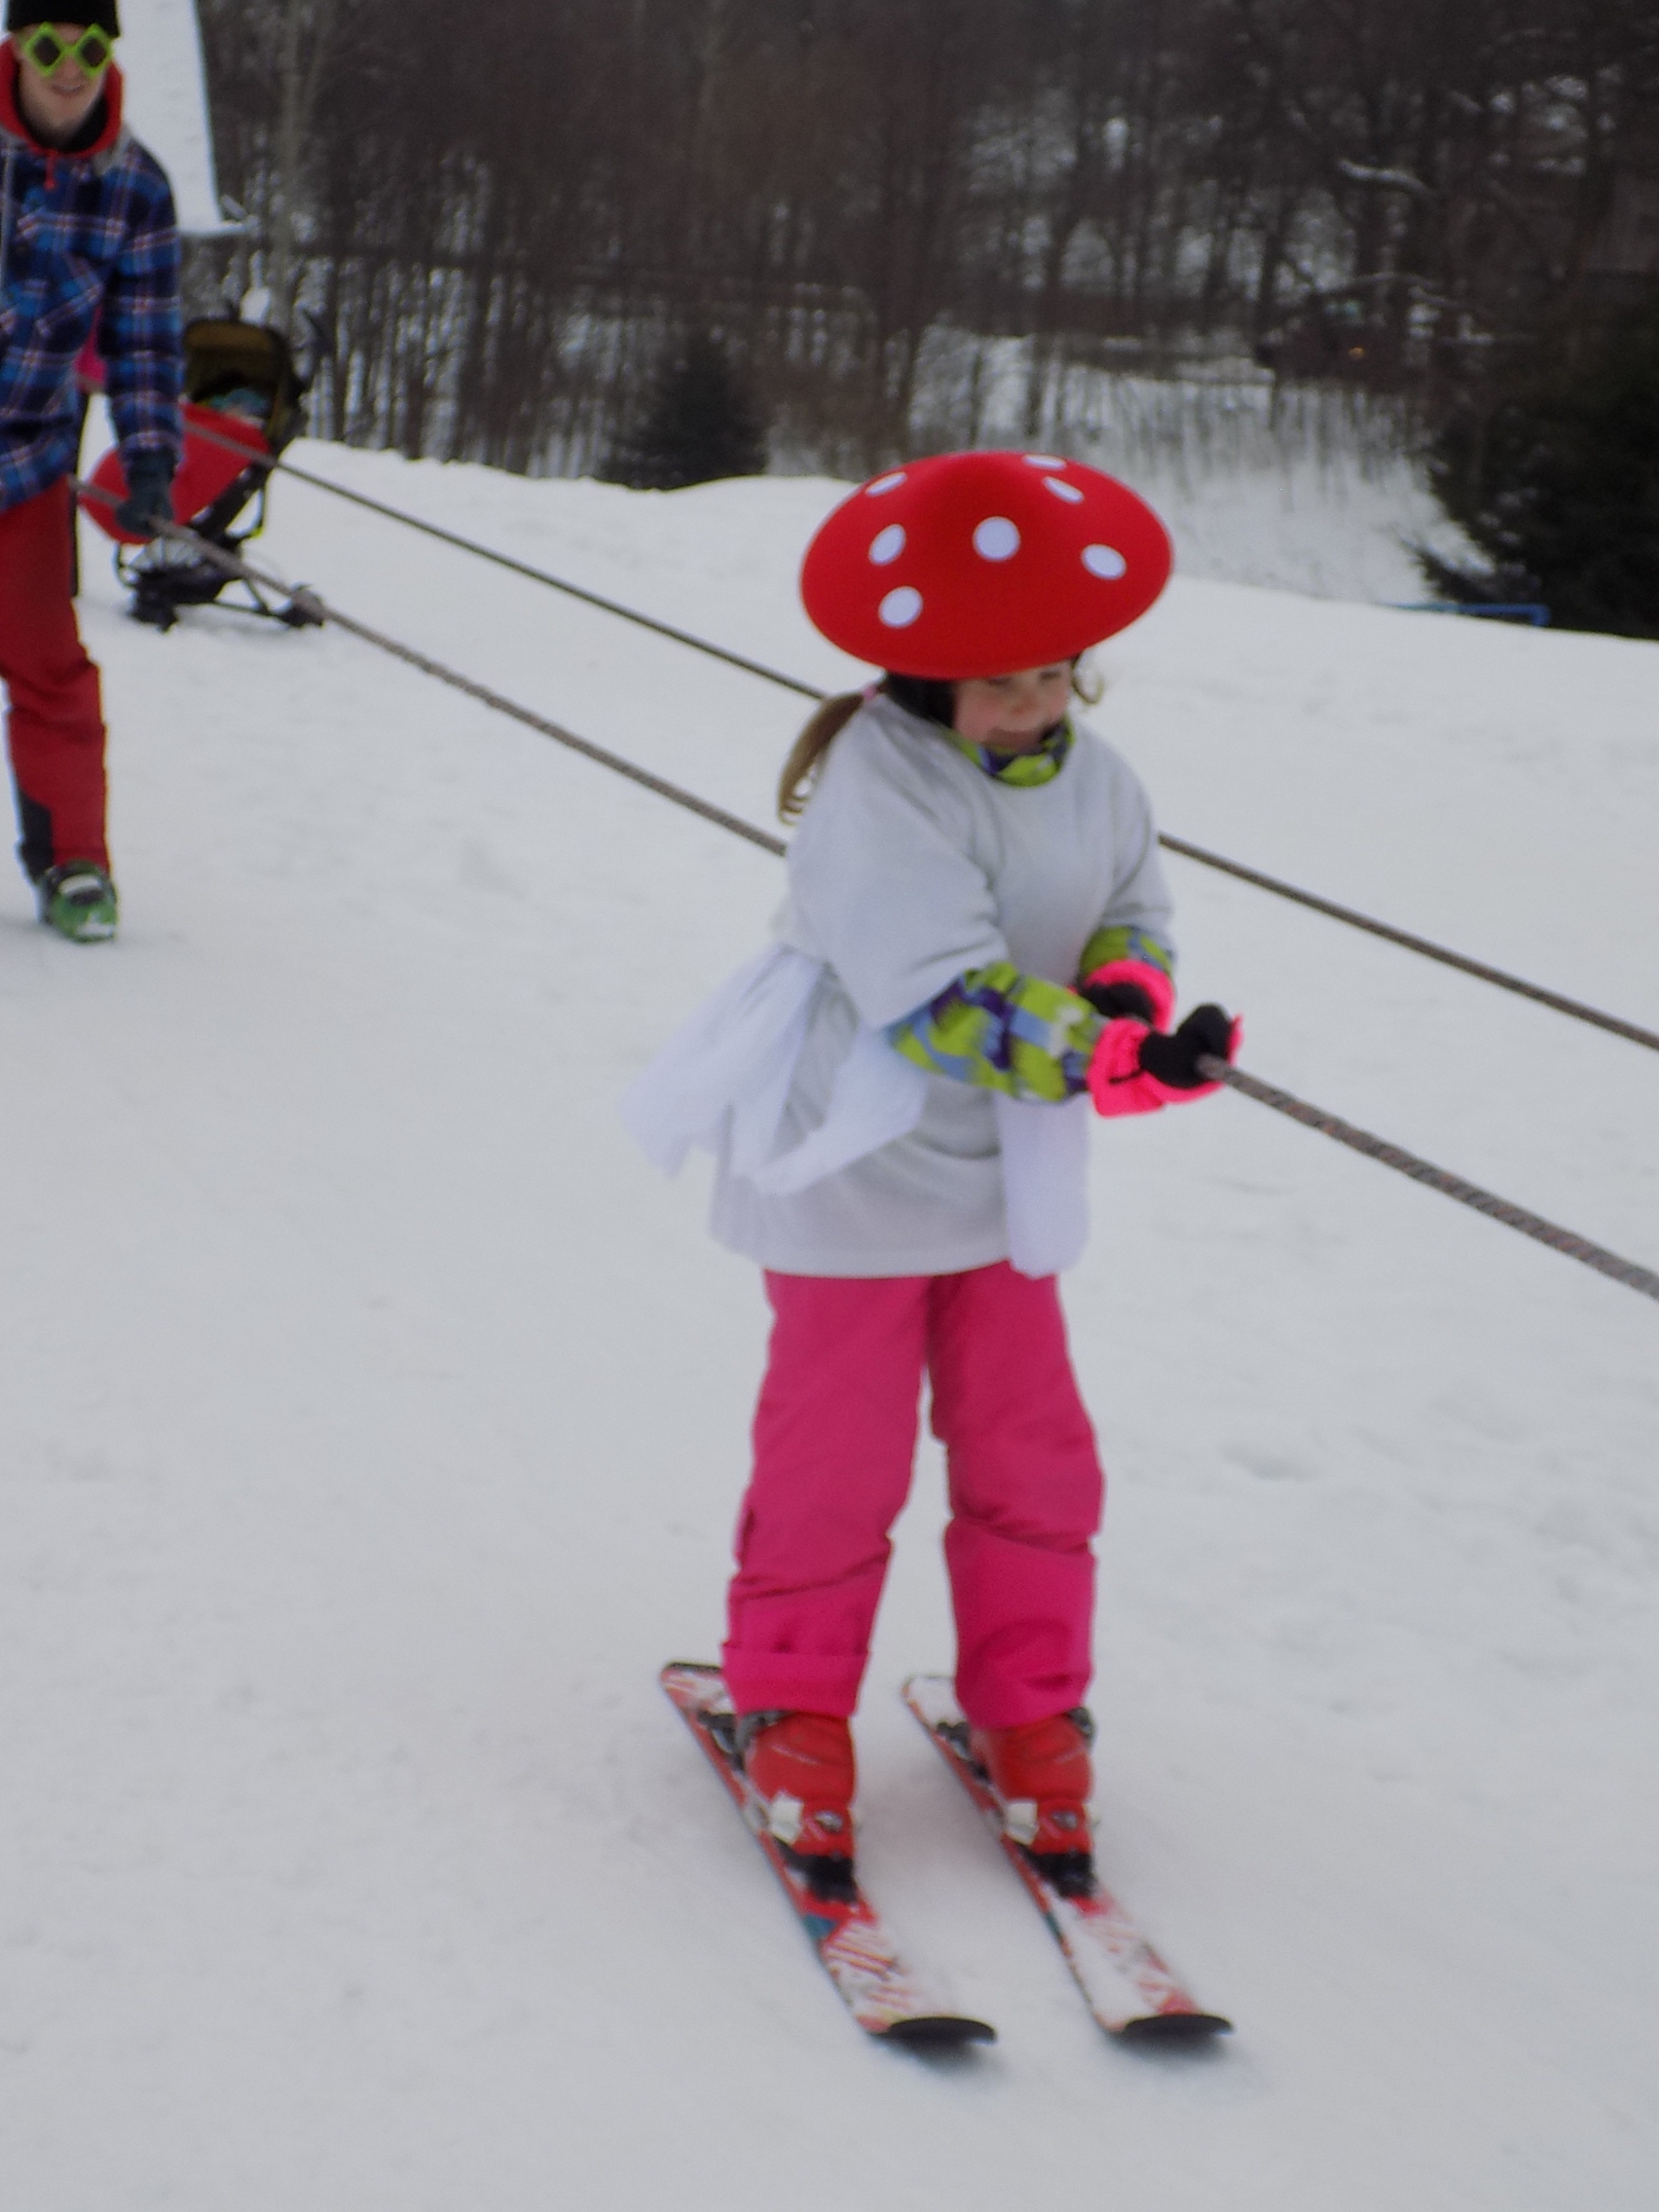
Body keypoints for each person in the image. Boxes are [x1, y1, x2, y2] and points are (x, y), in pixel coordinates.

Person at [627, 449, 1240, 1899]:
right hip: (859, 1159)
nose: (1033, 705)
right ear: (921, 681)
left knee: (1033, 1449)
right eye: (1000, 685)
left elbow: (1131, 911)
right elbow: (945, 1001)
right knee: (838, 1458)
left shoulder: (1097, 776)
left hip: (1002, 1168)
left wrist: (1134, 1005)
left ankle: (1034, 1718)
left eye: (1053, 677)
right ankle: (793, 1711)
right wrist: (1100, 1058)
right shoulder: (880, 786)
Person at [0, 7, 182, 941]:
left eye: (90, 48)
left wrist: (149, 460)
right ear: (13, 50)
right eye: (48, 47)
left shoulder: (134, 187)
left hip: (26, 462)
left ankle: (73, 860)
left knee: (51, 669)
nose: (69, 69)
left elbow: (144, 343)